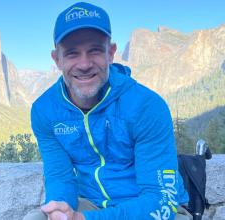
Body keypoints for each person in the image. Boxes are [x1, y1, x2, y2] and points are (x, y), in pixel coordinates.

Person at [24, 2, 191, 220]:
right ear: (57, 59)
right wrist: (59, 211)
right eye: (72, 53)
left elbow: (161, 198)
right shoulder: (44, 111)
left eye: (94, 50)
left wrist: (85, 219)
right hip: (91, 205)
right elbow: (60, 177)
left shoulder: (147, 106)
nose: (84, 64)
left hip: (151, 207)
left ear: (110, 53)